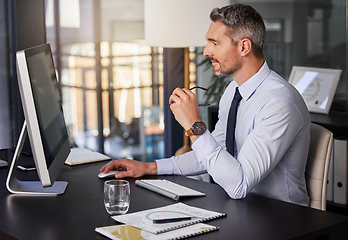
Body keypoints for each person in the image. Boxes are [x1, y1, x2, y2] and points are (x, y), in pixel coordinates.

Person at [100, 4, 310, 206]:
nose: (206, 51)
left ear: (244, 46)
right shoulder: (233, 92)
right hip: (243, 209)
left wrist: (194, 124)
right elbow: (211, 154)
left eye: (214, 43)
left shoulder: (279, 103)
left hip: (281, 219)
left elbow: (239, 184)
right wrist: (149, 167)